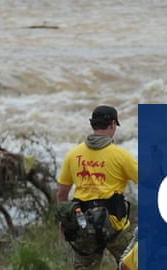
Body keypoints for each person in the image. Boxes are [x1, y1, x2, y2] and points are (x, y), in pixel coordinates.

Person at [56, 105, 139, 270]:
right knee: (133, 264)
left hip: (84, 227)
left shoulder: (73, 155)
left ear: (92, 124)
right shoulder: (121, 156)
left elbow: (62, 194)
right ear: (113, 125)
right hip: (115, 227)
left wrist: (64, 224)